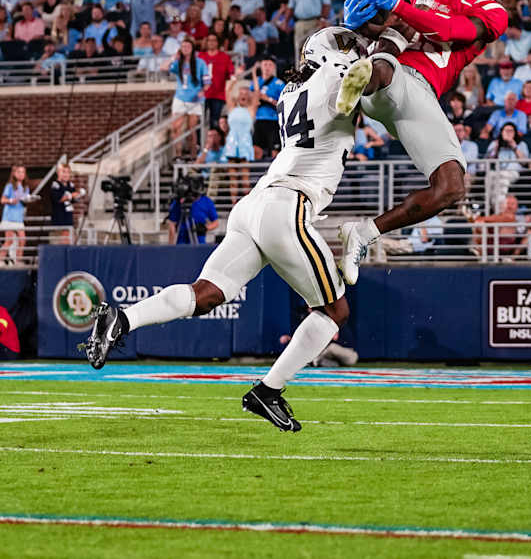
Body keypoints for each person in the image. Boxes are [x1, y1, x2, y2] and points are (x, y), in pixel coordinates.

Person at [84, 27, 369, 434]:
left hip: (254, 205)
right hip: (288, 205)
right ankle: (269, 390)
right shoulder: (336, 76)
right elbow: (367, 85)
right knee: (334, 311)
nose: (355, 54)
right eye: (347, 49)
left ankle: (122, 319)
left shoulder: (291, 91)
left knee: (206, 294)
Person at [339, 0, 510, 281]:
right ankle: (352, 85)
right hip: (389, 73)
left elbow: (449, 30)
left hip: (421, 92)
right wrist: (358, 20)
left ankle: (364, 232)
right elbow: (386, 24)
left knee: (451, 187)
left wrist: (397, 6)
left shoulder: (491, 10)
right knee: (385, 34)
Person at [169, 38, 210, 159]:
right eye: (183, 47)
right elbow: (163, 67)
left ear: (192, 49)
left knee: (191, 129)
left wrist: (202, 91)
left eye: (188, 46)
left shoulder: (200, 63)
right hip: (180, 98)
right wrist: (173, 58)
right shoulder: (178, 63)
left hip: (194, 99)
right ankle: (178, 155)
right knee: (175, 127)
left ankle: (193, 155)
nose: (185, 49)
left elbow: (207, 82)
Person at [223, 79, 258, 203]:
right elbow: (227, 91)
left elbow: (257, 92)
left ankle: (245, 205)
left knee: (245, 178)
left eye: (245, 93)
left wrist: (254, 76)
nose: (243, 95)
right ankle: (233, 204)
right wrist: (234, 80)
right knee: (233, 178)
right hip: (232, 143)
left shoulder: (251, 109)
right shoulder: (232, 107)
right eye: (241, 93)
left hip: (245, 144)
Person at [250, 57, 285, 160]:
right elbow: (251, 99)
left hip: (273, 120)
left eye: (270, 65)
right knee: (256, 150)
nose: (267, 67)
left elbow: (284, 104)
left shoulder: (279, 84)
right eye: (265, 64)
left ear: (274, 67)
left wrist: (268, 99)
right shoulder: (256, 82)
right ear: (261, 66)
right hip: (259, 119)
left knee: (275, 152)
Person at [198, 33, 235, 128]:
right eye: (209, 40)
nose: (211, 42)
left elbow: (231, 72)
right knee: (198, 121)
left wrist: (235, 74)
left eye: (214, 40)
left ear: (218, 43)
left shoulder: (224, 57)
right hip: (202, 94)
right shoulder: (200, 56)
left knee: (215, 122)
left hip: (218, 94)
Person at [167, 176, 219, 244]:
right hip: (182, 244)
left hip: (199, 243)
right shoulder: (178, 203)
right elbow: (172, 225)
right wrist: (171, 246)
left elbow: (216, 222)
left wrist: (205, 228)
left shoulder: (206, 201)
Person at [0, 166, 30, 266]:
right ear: (14, 174)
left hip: (19, 218)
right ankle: (0, 259)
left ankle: (18, 261)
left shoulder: (26, 188)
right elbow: (2, 200)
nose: (21, 174)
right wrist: (11, 200)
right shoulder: (9, 186)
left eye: (23, 172)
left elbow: (25, 201)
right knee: (9, 241)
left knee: (22, 240)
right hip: (9, 217)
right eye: (19, 172)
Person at [49, 163, 83, 244]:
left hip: (68, 218)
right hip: (60, 219)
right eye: (63, 172)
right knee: (63, 241)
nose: (66, 174)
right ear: (58, 172)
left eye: (68, 172)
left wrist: (79, 194)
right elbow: (58, 199)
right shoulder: (55, 185)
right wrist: (71, 195)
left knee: (73, 240)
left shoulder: (70, 185)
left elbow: (74, 199)